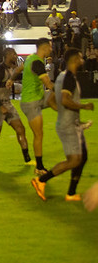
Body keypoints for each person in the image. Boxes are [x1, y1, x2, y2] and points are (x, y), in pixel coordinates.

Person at [31, 48, 94, 201]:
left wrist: (65, 115)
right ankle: (41, 180)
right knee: (74, 160)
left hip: (71, 123)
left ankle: (71, 193)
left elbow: (52, 100)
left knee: (82, 157)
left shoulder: (61, 76)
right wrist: (83, 106)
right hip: (69, 126)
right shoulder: (69, 79)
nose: (82, 60)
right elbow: (65, 100)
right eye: (80, 57)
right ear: (74, 60)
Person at [19, 38, 56, 175]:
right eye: (50, 47)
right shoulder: (37, 63)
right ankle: (39, 167)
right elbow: (47, 83)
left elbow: (19, 68)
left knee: (60, 100)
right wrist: (59, 89)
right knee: (38, 134)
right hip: (31, 102)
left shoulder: (30, 58)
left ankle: (72, 121)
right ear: (44, 47)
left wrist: (11, 79)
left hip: (37, 98)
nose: (51, 50)